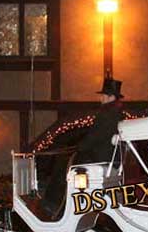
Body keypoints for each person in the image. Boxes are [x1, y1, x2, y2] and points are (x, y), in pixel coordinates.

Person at [41, 75, 125, 217]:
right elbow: (95, 135)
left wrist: (79, 147)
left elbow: (95, 137)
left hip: (100, 156)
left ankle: (52, 204)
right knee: (67, 163)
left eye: (104, 96)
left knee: (64, 166)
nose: (101, 98)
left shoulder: (106, 114)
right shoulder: (116, 113)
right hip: (109, 157)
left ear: (111, 97)